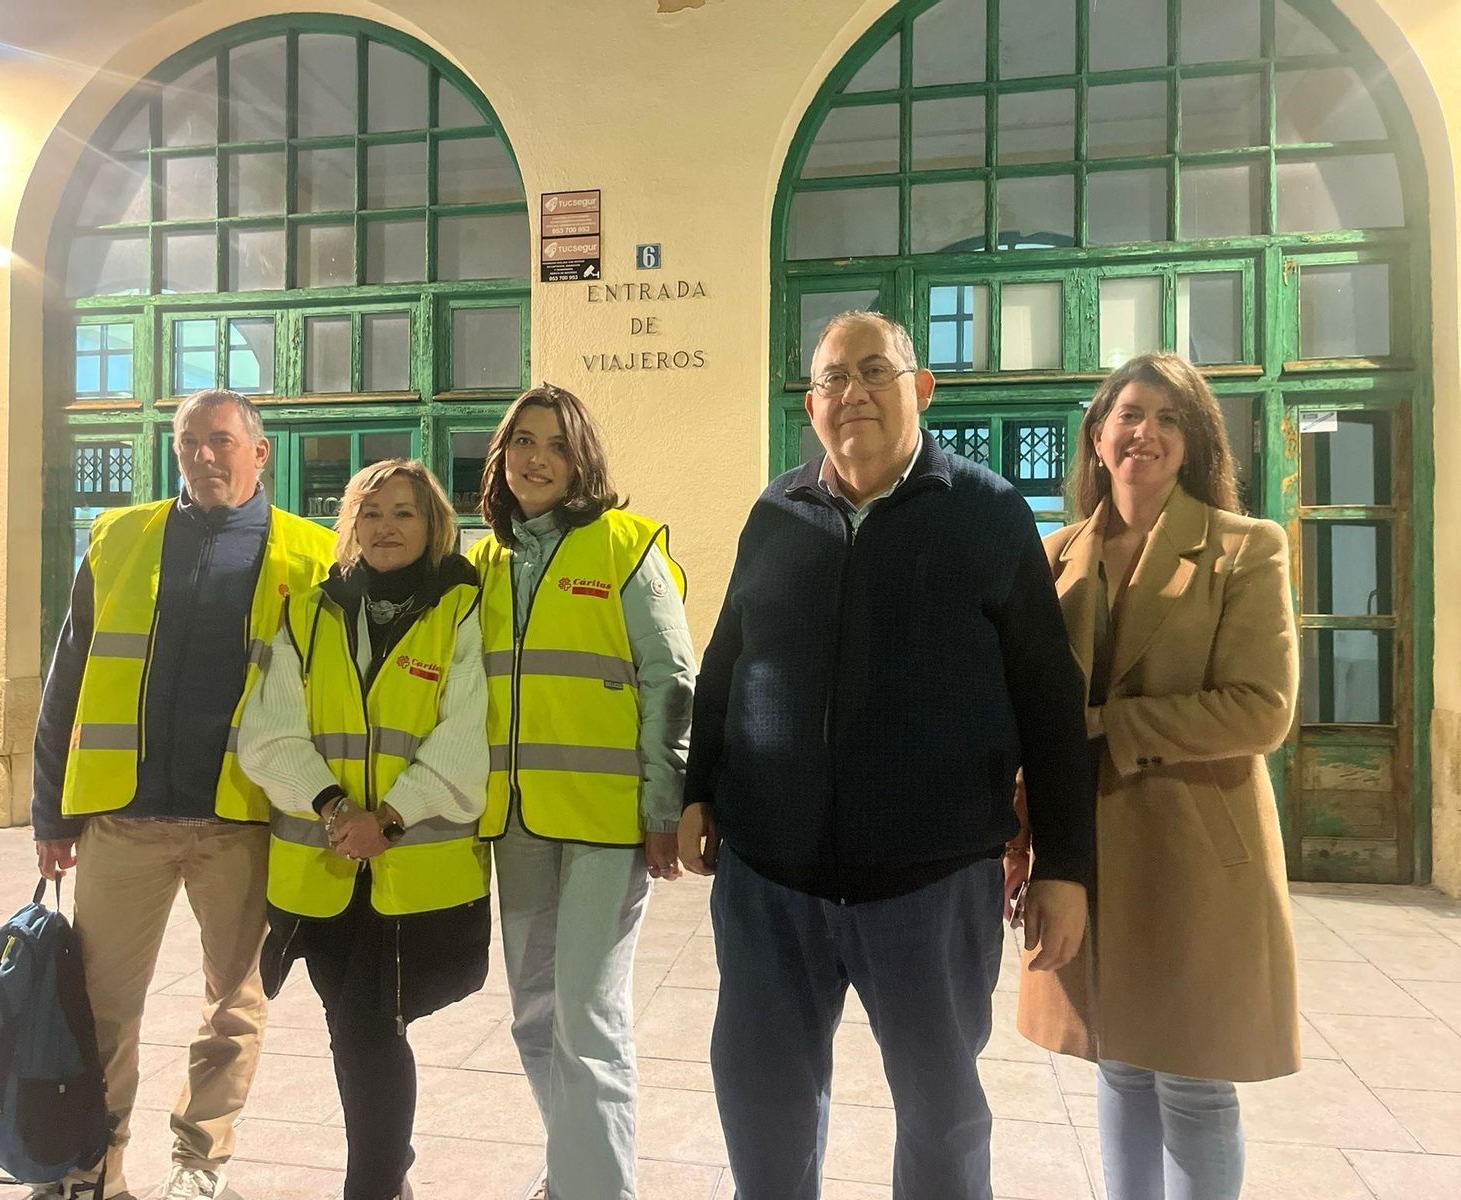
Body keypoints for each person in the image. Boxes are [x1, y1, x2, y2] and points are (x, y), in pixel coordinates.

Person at [679, 311, 1094, 1200]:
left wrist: (1065, 863)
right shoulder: (774, 511)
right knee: (761, 1105)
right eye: (833, 378)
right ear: (811, 403)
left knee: (941, 1116)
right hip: (769, 883)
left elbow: (1050, 702)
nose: (852, 392)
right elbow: (726, 662)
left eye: (875, 371)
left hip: (931, 886)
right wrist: (697, 791)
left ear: (922, 389)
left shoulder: (985, 512)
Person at [29, 389, 336, 1200]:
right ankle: (91, 1167)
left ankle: (199, 1164)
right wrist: (50, 810)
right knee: (99, 1010)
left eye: (222, 441)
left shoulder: (312, 556)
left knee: (235, 1005)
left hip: (241, 822)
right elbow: (67, 682)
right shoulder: (120, 538)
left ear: (259, 454)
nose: (203, 455)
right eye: (188, 441)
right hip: (123, 823)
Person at [1006, 353, 1300, 1200]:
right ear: (1098, 437)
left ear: (1195, 442)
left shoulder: (1244, 549)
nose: (1147, 432)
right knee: (1119, 1065)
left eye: (1171, 418)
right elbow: (1026, 710)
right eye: (1130, 414)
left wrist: (1105, 729)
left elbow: (1260, 709)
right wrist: (1019, 830)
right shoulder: (1052, 555)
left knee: (1196, 1082)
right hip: (1083, 851)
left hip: (1197, 853)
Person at [236, 459, 490, 1200]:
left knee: (369, 1026)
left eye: (404, 513)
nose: (386, 528)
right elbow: (269, 731)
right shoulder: (310, 611)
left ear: (433, 522)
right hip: (324, 870)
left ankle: (373, 1184)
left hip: (416, 871)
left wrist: (392, 815)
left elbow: (467, 730)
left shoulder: (462, 608)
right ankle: (386, 1177)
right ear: (351, 523)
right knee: (353, 1029)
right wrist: (335, 809)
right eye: (371, 513)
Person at [467, 383, 695, 1200]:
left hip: (608, 826)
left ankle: (597, 1191)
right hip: (516, 822)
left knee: (588, 1021)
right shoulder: (482, 561)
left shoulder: (627, 545)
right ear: (501, 456)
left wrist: (664, 810)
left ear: (581, 459)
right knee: (534, 1016)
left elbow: (673, 682)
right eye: (522, 441)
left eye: (556, 445)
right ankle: (576, 1169)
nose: (536, 458)